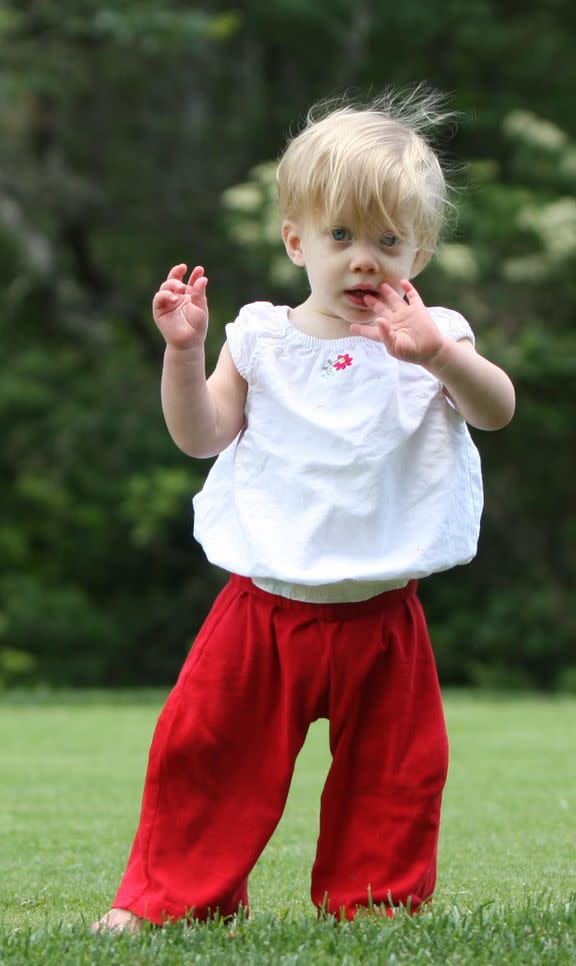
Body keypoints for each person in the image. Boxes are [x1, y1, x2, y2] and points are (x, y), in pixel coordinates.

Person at [93, 88, 515, 932]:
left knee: (396, 773)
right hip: (262, 608)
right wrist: (185, 354)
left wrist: (438, 356)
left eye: (388, 241)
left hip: (383, 615)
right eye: (342, 237)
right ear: (297, 240)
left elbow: (496, 409)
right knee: (205, 752)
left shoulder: (434, 337)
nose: (366, 260)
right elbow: (202, 436)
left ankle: (375, 906)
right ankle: (174, 901)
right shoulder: (261, 337)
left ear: (420, 251)